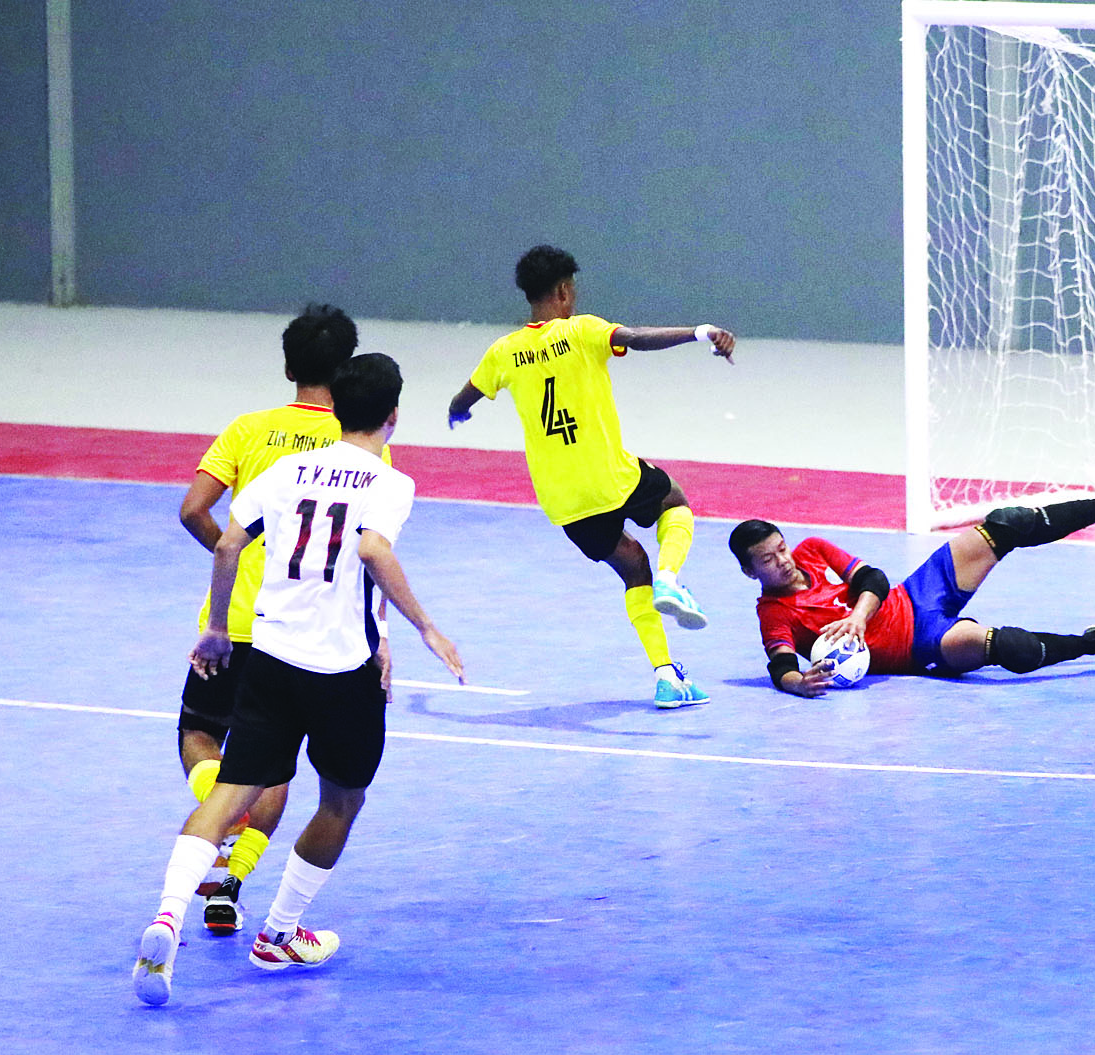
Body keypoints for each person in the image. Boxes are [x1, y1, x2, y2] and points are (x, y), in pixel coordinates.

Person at [134, 352, 464, 1006]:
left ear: (335, 408)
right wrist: (426, 627)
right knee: (341, 801)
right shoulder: (390, 483)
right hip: (342, 673)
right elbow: (372, 549)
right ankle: (277, 933)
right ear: (393, 415)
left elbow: (227, 544)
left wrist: (218, 627)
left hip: (271, 660)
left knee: (230, 792)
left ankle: (167, 917)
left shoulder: (284, 471)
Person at [173, 304, 393, 934]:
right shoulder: (360, 446)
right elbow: (372, 554)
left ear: (289, 367)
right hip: (309, 633)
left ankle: (220, 813)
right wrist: (385, 636)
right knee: (277, 771)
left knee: (200, 736)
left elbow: (194, 511)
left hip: (234, 622)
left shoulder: (248, 429)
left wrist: (243, 558)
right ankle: (232, 882)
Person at [447, 244, 735, 708]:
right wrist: (699, 332)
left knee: (632, 569)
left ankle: (666, 676)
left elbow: (463, 399)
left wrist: (457, 414)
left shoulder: (503, 352)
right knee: (674, 500)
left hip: (563, 501)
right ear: (564, 290)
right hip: (609, 476)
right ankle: (670, 577)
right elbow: (636, 337)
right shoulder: (582, 330)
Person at [727, 451, 1095, 696]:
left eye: (781, 548)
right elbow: (781, 662)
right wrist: (796, 683)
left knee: (1007, 523)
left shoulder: (812, 550)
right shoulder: (775, 613)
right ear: (750, 572)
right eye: (768, 560)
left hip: (917, 594)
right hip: (918, 644)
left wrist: (858, 617)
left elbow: (873, 579)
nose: (783, 560)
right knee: (1010, 647)